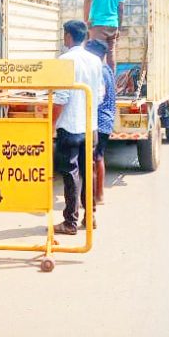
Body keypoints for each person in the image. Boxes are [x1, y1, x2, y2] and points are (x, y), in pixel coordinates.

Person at [52, 20, 104, 235]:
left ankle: (70, 222)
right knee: (87, 170)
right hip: (90, 126)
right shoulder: (95, 60)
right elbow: (100, 93)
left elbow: (61, 98)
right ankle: (89, 217)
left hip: (70, 126)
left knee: (70, 173)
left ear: (69, 36)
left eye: (64, 35)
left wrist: (51, 124)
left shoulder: (64, 60)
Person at [85, 39, 115, 205]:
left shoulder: (100, 72)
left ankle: (98, 195)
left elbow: (98, 96)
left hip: (100, 120)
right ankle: (98, 195)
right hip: (106, 119)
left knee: (95, 158)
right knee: (98, 157)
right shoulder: (108, 70)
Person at [84, 0, 128, 69]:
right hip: (113, 25)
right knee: (111, 54)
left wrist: (87, 19)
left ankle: (96, 83)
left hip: (98, 24)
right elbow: (121, 9)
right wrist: (119, 27)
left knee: (96, 55)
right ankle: (111, 84)